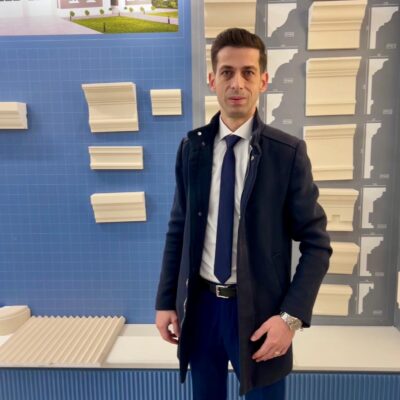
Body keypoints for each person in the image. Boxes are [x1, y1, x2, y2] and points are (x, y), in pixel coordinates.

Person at [155, 28, 331, 400]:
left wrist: (290, 318)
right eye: (227, 72)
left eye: (248, 72)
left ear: (263, 80)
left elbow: (317, 244)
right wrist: (165, 300)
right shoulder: (191, 148)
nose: (237, 83)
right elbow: (178, 228)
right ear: (212, 80)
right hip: (202, 307)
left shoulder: (287, 154)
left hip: (260, 313)